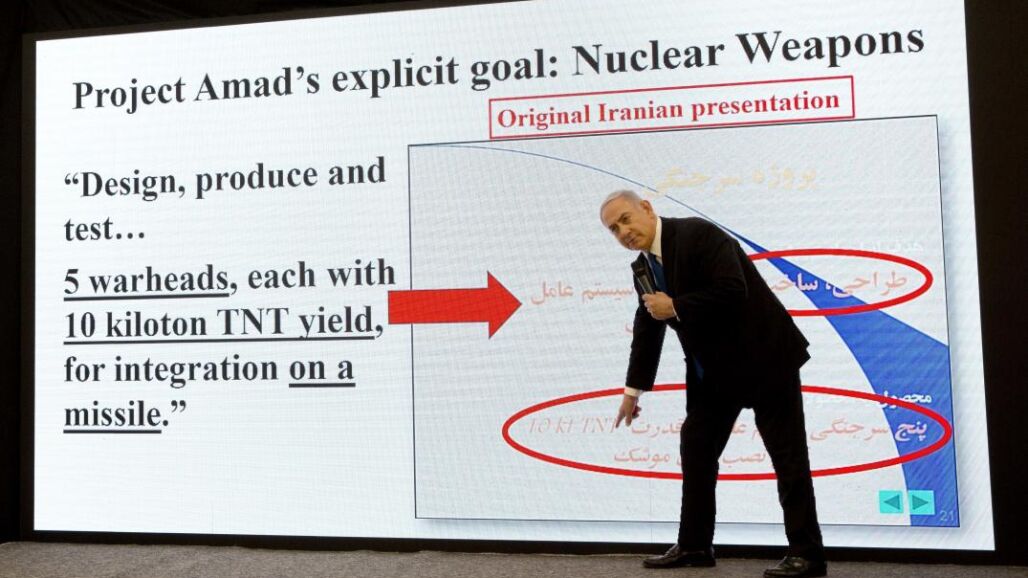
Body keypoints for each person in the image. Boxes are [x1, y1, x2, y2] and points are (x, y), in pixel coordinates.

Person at [599, 190, 826, 578]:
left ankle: (807, 555)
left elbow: (733, 288)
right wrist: (632, 392)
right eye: (613, 229)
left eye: (625, 219)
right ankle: (694, 546)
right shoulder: (642, 266)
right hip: (716, 375)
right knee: (696, 446)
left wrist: (677, 306)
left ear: (647, 209)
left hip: (766, 359)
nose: (623, 232)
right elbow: (648, 326)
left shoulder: (698, 235)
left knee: (788, 458)